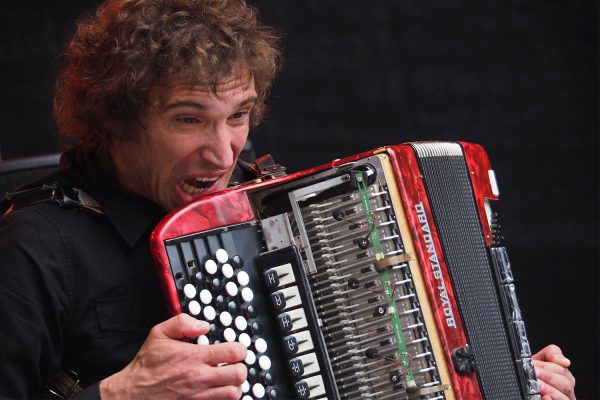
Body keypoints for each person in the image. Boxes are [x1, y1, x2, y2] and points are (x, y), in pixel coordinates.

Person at [0, 0, 576, 399]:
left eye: (238, 116)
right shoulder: (39, 245)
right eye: (188, 120)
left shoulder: (265, 208)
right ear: (117, 120)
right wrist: (119, 394)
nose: (222, 153)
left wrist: (508, 379)